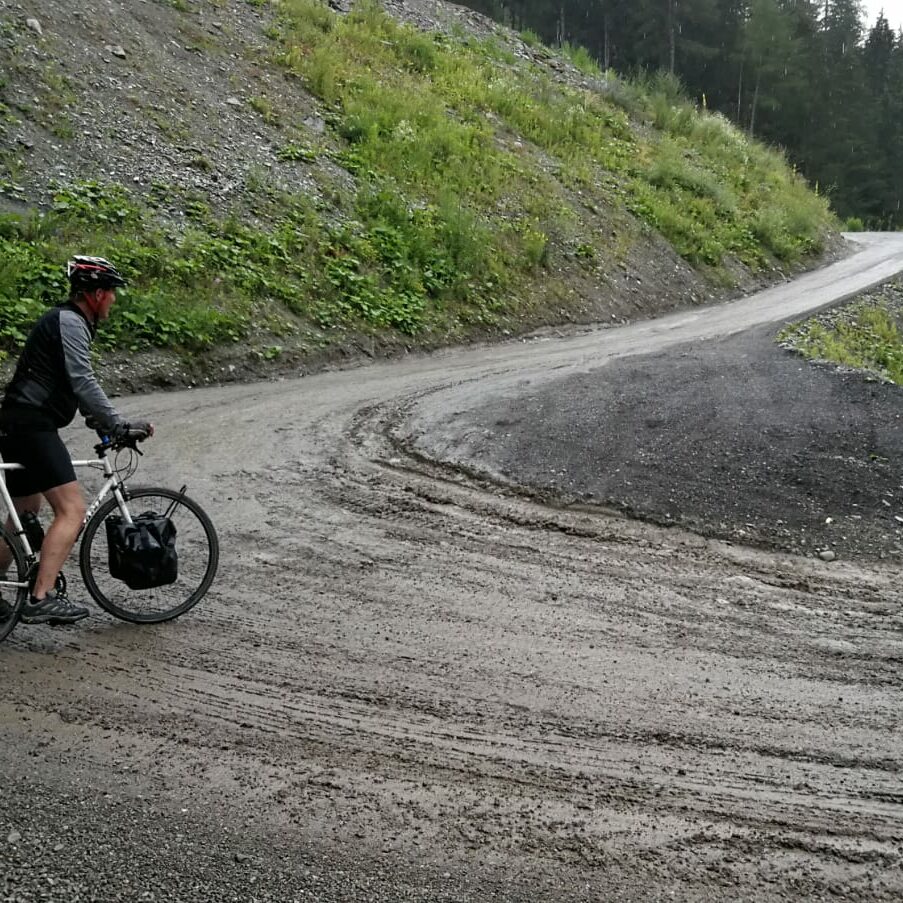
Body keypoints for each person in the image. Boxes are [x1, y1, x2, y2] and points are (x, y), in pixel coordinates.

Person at [0, 256, 154, 625]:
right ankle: (40, 597)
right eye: (111, 293)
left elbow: (72, 386)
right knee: (71, 510)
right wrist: (116, 424)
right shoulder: (70, 321)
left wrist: (104, 427)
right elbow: (82, 380)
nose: (113, 300)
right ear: (96, 294)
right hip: (31, 425)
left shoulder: (67, 321)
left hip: (18, 422)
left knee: (24, 511)